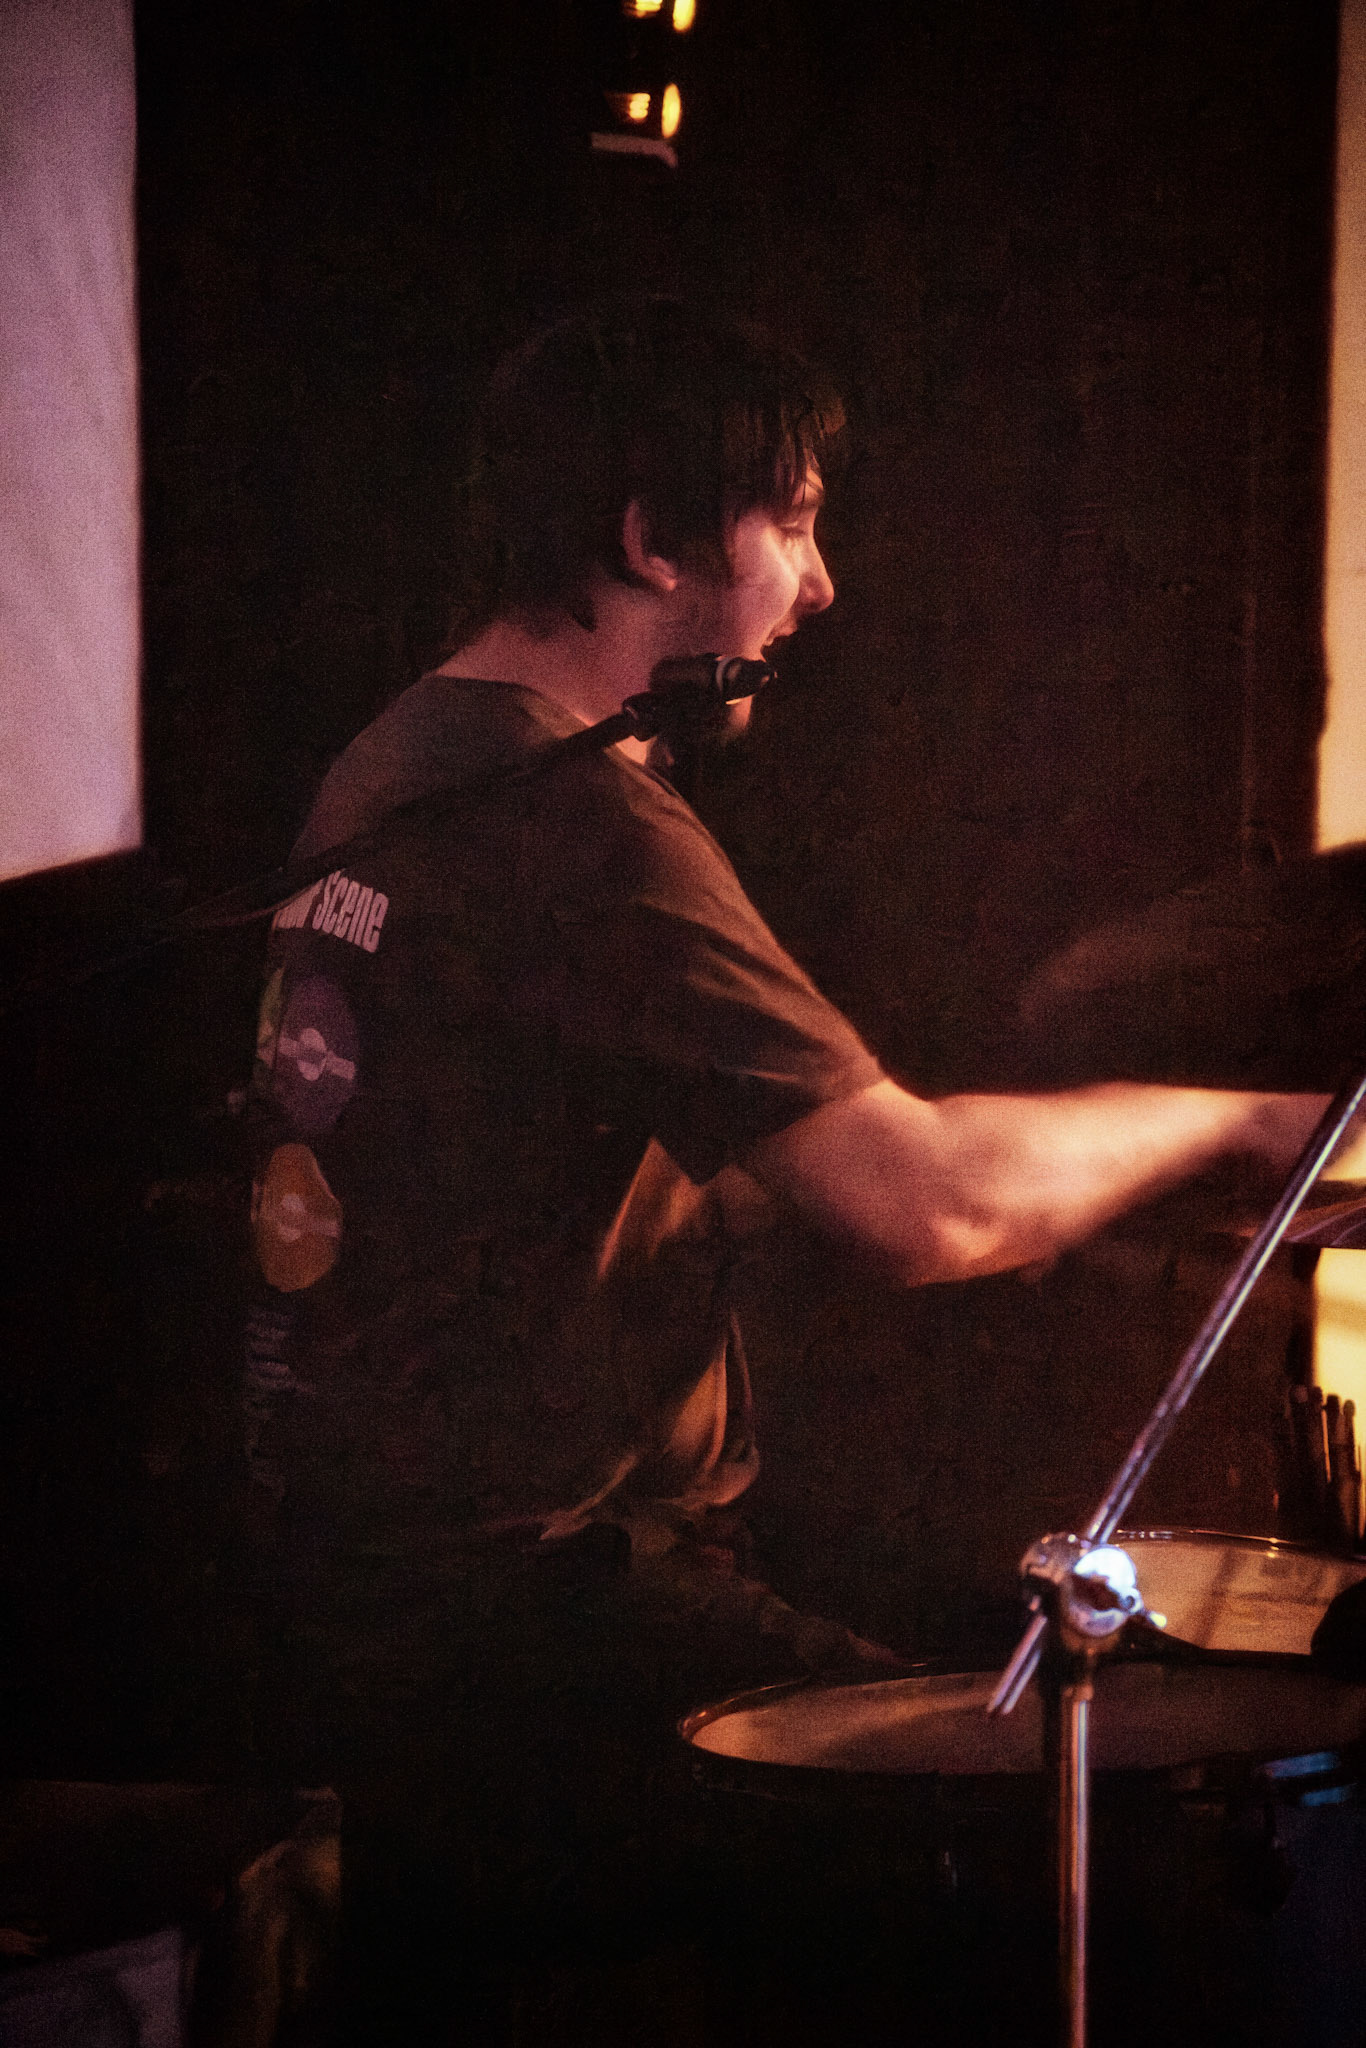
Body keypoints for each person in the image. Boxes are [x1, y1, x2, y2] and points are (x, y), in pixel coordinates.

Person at [242, 301, 1326, 2043]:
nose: (819, 588)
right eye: (796, 522)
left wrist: (1082, 1202)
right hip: (522, 1625)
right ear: (651, 540)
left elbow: (572, 1182)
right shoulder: (567, 818)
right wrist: (1251, 1126)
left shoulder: (406, 760)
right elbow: (919, 1202)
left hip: (389, 1592)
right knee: (1060, 1866)